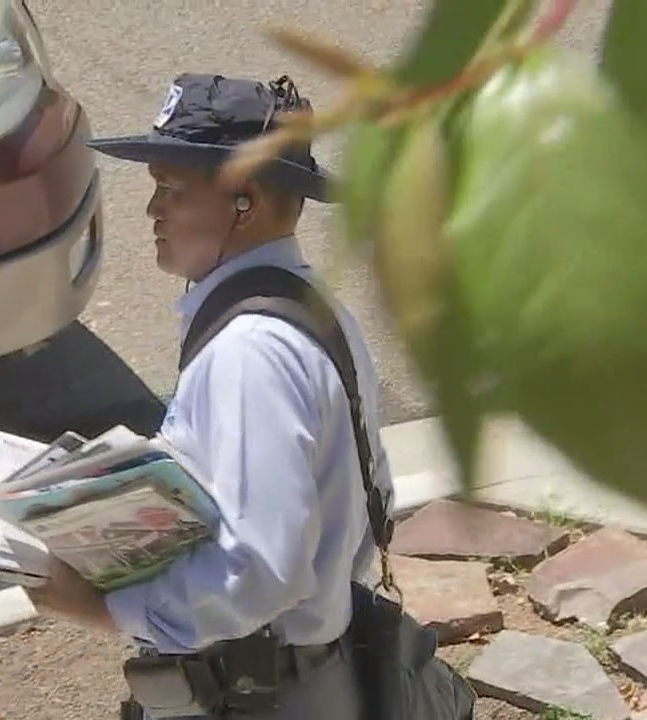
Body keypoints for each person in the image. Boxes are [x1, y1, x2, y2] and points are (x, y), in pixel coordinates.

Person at [22, 72, 396, 720]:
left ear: (243, 200)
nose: (152, 212)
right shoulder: (309, 307)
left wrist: (103, 606)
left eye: (171, 190)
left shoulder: (249, 351)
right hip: (300, 675)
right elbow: (368, 498)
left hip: (262, 695)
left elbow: (260, 569)